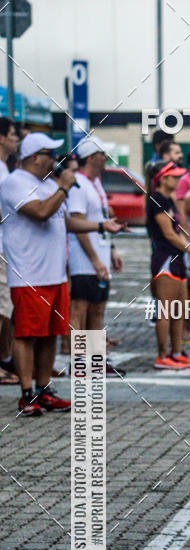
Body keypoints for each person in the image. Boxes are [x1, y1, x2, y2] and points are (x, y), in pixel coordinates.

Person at [0, 133, 123, 416]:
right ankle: (27, 393)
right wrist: (65, 188)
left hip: (55, 274)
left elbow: (62, 220)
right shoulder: (15, 183)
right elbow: (42, 212)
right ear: (34, 157)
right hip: (30, 274)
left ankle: (44, 390)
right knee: (28, 334)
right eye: (49, 154)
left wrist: (102, 226)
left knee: (51, 335)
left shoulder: (47, 185)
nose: (55, 160)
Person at [67, 137, 124, 377]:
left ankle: (96, 360)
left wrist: (110, 250)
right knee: (80, 310)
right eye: (103, 154)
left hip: (99, 255)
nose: (106, 158)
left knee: (98, 311)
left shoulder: (96, 183)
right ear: (92, 157)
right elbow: (77, 224)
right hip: (84, 260)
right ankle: (79, 363)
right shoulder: (78, 184)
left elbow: (102, 220)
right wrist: (94, 258)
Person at [146, 160, 190, 369]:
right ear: (163, 179)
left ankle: (177, 352)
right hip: (165, 258)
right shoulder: (157, 200)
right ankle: (162, 355)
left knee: (180, 309)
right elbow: (169, 234)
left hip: (177, 259)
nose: (178, 180)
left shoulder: (169, 200)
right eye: (174, 176)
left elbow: (180, 229)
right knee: (166, 310)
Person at [0, 116, 19, 384]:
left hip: (8, 247)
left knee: (8, 308)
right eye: (13, 134)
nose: (16, 138)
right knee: (2, 308)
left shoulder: (5, 168)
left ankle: (6, 360)